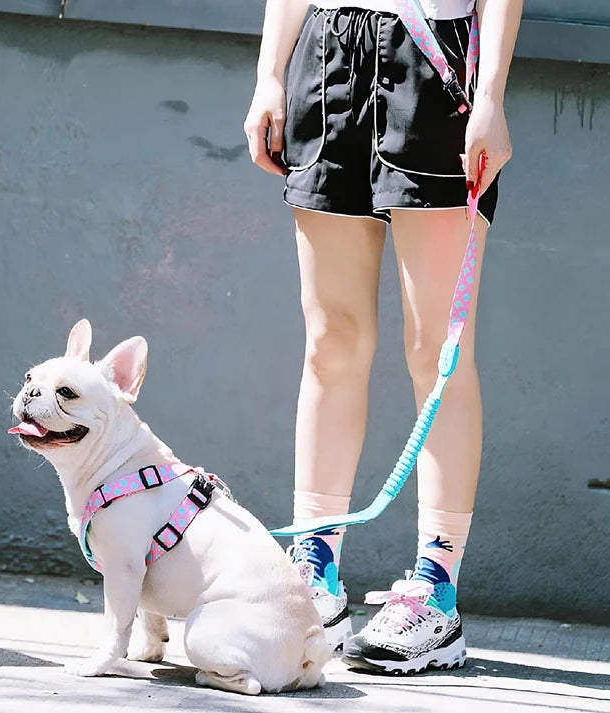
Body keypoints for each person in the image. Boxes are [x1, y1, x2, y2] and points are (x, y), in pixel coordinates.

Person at [244, 0, 522, 674]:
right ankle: (315, 575)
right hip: (328, 55)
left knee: (438, 351)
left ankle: (435, 588)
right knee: (330, 340)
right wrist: (270, 76)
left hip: (434, 59)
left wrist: (488, 96)